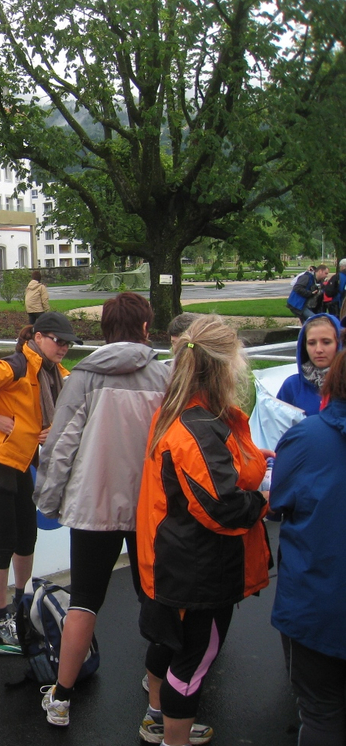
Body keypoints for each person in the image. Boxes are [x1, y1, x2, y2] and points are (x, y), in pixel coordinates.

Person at [34, 293, 170, 728]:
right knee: (157, 602)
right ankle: (158, 709)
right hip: (152, 509)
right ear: (145, 328)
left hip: (94, 507)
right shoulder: (166, 376)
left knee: (84, 601)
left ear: (104, 328)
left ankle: (61, 698)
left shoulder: (84, 376)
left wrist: (49, 500)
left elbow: (60, 445)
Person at [137, 315, 271, 746]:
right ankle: (172, 737)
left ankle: (157, 719)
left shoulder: (179, 411)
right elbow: (224, 507)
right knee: (194, 661)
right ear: (226, 366)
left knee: (172, 646)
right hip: (198, 568)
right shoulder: (197, 426)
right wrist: (265, 497)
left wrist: (251, 461)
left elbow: (202, 481)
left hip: (173, 558)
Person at [0, 311, 78, 643]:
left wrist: (50, 428)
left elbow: (68, 401)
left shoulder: (54, 372)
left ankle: (22, 605)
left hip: (19, 461)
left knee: (27, 537)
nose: (64, 348)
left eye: (68, 343)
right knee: (4, 541)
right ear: (39, 337)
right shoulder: (14, 367)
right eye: (58, 341)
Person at [270, 349, 346, 746]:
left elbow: (278, 501)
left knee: (320, 711)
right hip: (319, 602)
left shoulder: (307, 437)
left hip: (319, 604)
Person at [276, 313, 343, 416]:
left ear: (339, 344)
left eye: (326, 342)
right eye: (311, 343)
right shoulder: (293, 386)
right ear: (304, 346)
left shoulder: (343, 384)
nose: (318, 350)